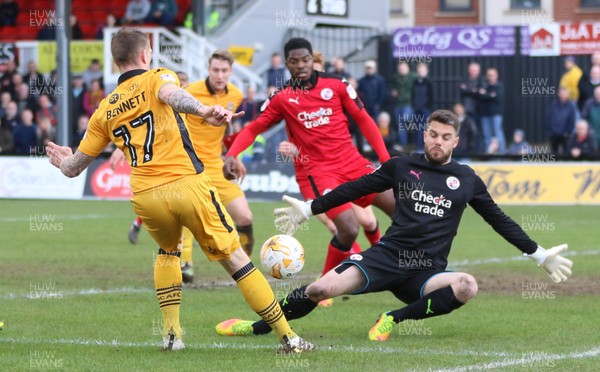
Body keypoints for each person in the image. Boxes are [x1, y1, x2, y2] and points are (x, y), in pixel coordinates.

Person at [45, 28, 313, 353]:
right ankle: (290, 339)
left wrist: (61, 161)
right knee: (235, 258)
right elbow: (173, 95)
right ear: (146, 54)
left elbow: (74, 169)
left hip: (145, 196)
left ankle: (172, 336)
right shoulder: (158, 76)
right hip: (186, 183)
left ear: (115, 61)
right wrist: (203, 111)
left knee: (167, 253)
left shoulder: (104, 109)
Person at [215, 109, 573, 342]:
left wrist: (539, 255)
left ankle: (392, 318)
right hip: (385, 258)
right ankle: (258, 326)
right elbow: (356, 187)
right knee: (319, 290)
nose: (437, 141)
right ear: (426, 135)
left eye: (445, 137)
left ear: (455, 141)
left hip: (426, 272)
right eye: (433, 134)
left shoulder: (466, 179)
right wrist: (310, 208)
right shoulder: (402, 166)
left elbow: (499, 220)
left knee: (467, 285)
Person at [222, 37, 395, 296]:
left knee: (402, 209)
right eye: (294, 61)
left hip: (352, 162)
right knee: (348, 229)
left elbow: (364, 119)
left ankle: (410, 267)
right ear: (287, 64)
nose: (301, 65)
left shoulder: (336, 84)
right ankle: (323, 289)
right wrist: (232, 154)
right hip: (318, 171)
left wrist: (386, 160)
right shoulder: (282, 98)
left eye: (305, 60)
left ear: (312, 59)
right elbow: (255, 128)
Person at [129, 50, 254, 285]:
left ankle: (247, 267)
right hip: (188, 165)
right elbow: (159, 118)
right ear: (208, 69)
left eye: (224, 71)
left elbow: (225, 129)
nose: (219, 75)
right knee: (186, 217)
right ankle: (185, 265)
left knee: (245, 216)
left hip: (217, 165)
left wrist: (233, 155)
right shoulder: (189, 92)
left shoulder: (235, 95)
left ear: (231, 72)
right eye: (215, 70)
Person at [479, 67, 506, 154]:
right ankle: (488, 154)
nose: (491, 77)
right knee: (487, 135)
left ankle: (501, 154)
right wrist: (491, 95)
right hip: (485, 114)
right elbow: (481, 96)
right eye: (489, 75)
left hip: (496, 114)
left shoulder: (499, 86)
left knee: (498, 134)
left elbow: (497, 97)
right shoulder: (484, 85)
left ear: (497, 76)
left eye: (493, 75)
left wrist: (486, 95)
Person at [390, 61, 416, 149]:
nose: (402, 70)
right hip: (398, 104)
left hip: (408, 103)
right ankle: (403, 144)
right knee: (400, 125)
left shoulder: (413, 77)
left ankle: (410, 142)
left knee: (406, 121)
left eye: (403, 68)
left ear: (408, 68)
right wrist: (393, 92)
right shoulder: (395, 78)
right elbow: (391, 88)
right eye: (400, 68)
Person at [547, 87, 576, 156]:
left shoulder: (570, 107)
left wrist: (567, 132)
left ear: (568, 95)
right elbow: (549, 118)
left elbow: (572, 121)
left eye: (565, 94)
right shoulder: (553, 105)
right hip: (554, 134)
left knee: (566, 153)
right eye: (562, 93)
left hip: (565, 135)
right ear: (559, 94)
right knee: (554, 153)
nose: (563, 95)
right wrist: (550, 130)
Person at [412, 62, 434, 151]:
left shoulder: (429, 82)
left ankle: (425, 147)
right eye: (419, 69)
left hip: (425, 109)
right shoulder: (415, 82)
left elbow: (431, 96)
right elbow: (413, 95)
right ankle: (418, 147)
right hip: (417, 108)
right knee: (417, 128)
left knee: (425, 128)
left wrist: (428, 106)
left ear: (426, 71)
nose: (421, 71)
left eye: (423, 69)